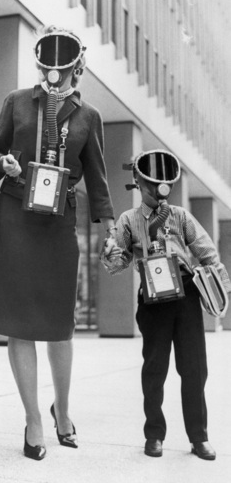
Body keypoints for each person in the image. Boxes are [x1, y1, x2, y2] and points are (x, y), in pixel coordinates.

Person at [0, 26, 118, 460]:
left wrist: (111, 227)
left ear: (78, 64)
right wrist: (2, 162)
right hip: (16, 219)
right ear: (39, 61)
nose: (54, 66)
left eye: (65, 58)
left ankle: (63, 410)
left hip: (59, 225)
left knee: (60, 328)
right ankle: (34, 420)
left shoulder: (89, 115)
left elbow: (97, 179)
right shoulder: (16, 101)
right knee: (19, 324)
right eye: (47, 57)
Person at [101, 149, 231, 461]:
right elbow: (117, 264)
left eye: (163, 186)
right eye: (151, 185)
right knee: (154, 370)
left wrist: (221, 286)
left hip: (185, 295)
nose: (158, 192)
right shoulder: (129, 220)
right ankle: (154, 435)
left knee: (194, 369)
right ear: (138, 183)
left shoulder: (180, 216)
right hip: (153, 299)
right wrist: (110, 251)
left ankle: (199, 437)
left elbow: (206, 249)